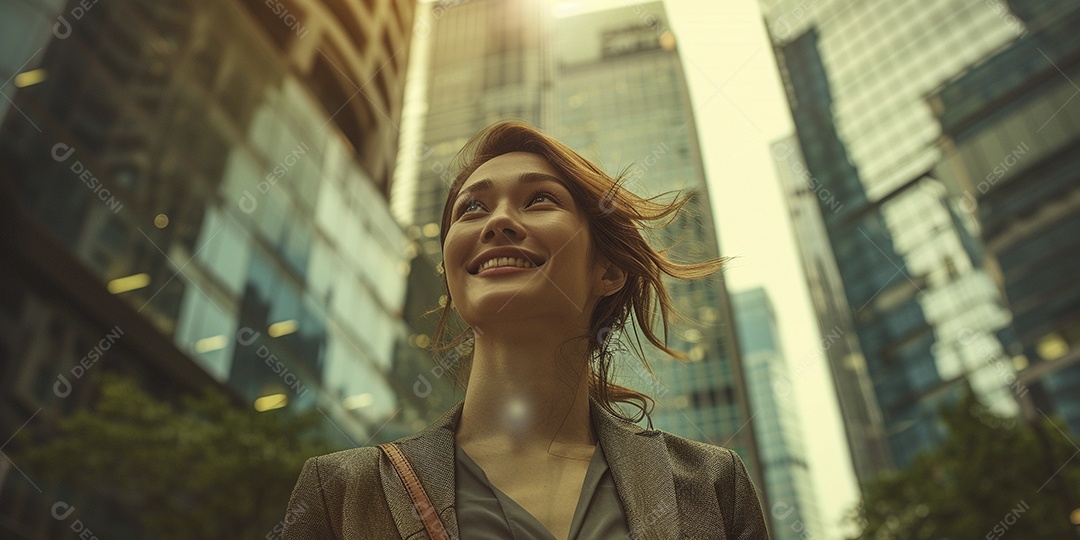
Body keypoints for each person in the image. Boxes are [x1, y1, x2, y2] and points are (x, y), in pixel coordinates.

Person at [282, 121, 770, 539]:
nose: (497, 222)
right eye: (471, 208)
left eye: (539, 200)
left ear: (608, 270)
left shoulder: (710, 484)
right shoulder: (342, 492)